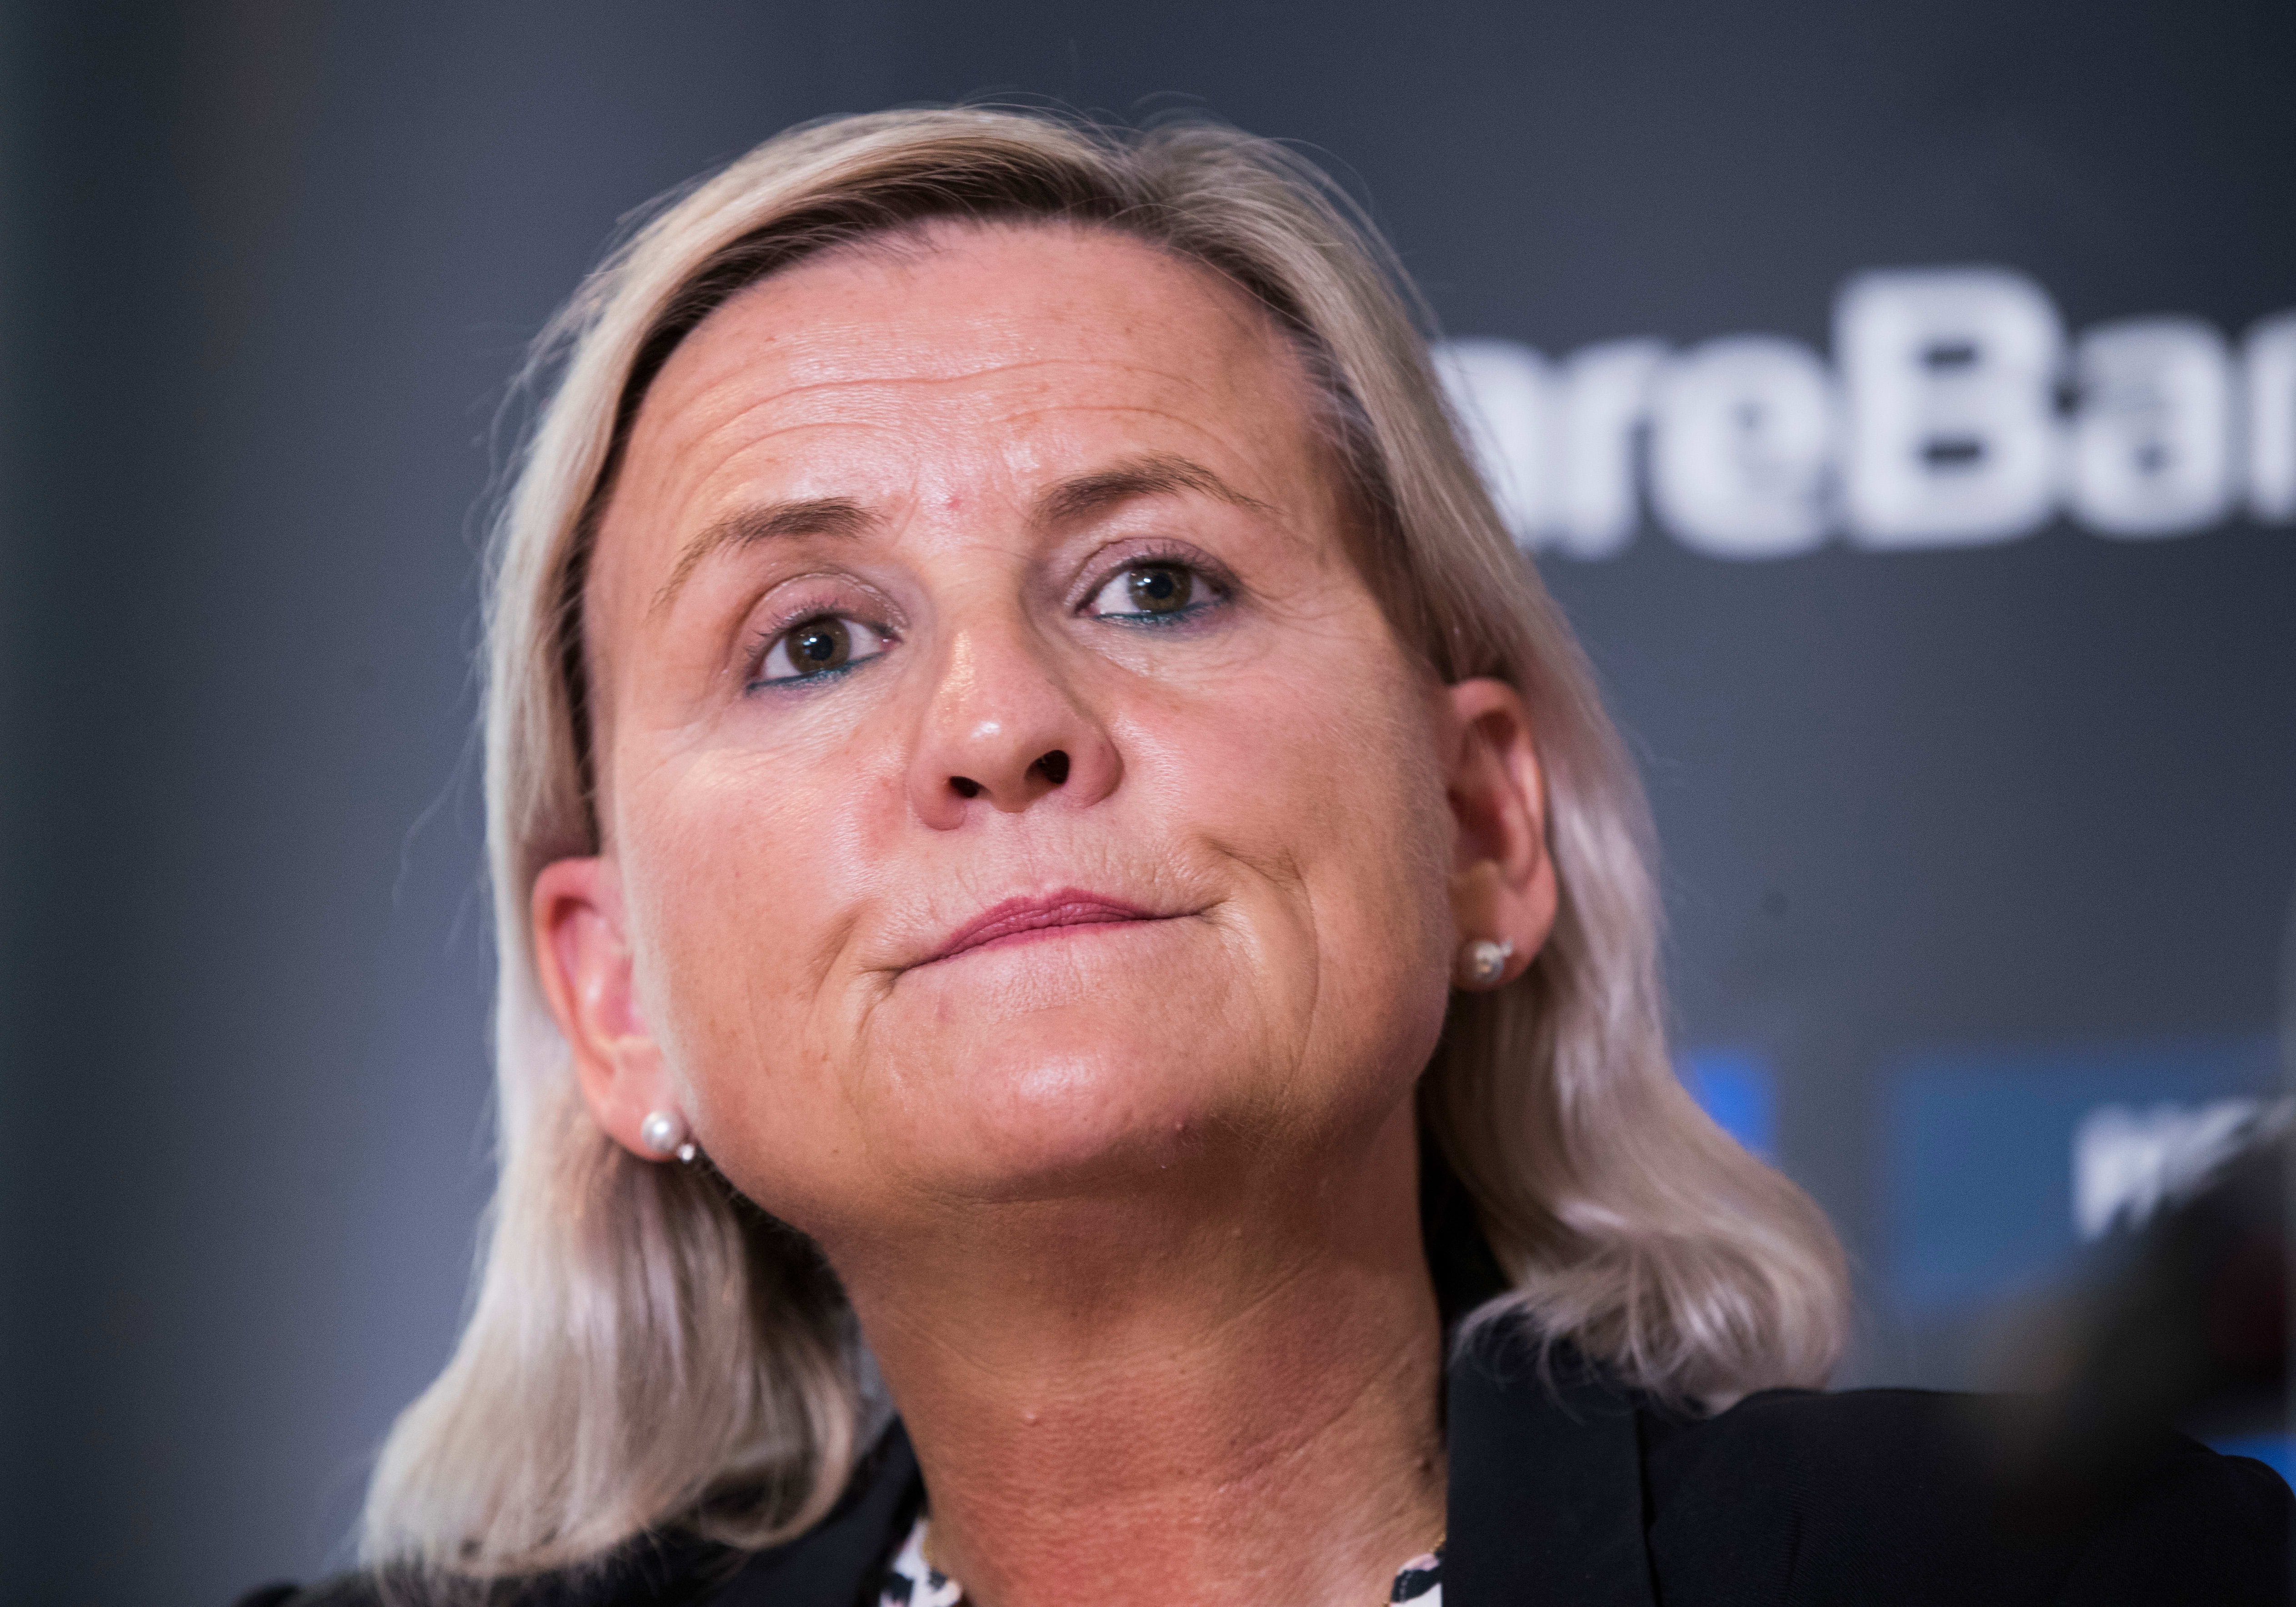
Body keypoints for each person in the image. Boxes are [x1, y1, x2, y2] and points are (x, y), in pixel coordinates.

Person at [235, 109, 2290, 1607]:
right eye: (816, 642)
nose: (998, 723)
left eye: (1154, 583)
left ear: (1482, 825)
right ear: (613, 998)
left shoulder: (2077, 1575)